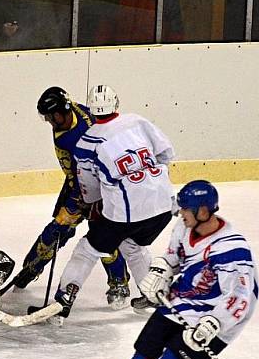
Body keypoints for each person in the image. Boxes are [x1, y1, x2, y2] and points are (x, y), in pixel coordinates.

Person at [95, 180, 258, 359]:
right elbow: (173, 256)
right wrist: (160, 271)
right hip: (181, 300)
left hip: (221, 316)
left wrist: (212, 324)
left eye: (186, 209)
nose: (180, 213)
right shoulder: (184, 225)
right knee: (142, 356)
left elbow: (240, 299)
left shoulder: (231, 249)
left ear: (203, 211)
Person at [47, 84, 175, 322]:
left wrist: (94, 203)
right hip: (163, 205)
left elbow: (91, 191)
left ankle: (63, 301)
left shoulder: (87, 142)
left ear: (92, 111)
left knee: (87, 250)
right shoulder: (138, 121)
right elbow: (166, 154)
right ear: (116, 104)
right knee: (133, 246)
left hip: (125, 212)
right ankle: (153, 295)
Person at [11, 86, 131, 309]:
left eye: (50, 116)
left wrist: (78, 203)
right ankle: (30, 269)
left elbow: (97, 173)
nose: (48, 121)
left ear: (63, 112)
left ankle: (119, 283)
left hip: (101, 189)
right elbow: (75, 174)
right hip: (77, 183)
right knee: (55, 231)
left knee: (103, 238)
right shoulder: (68, 117)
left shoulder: (86, 131)